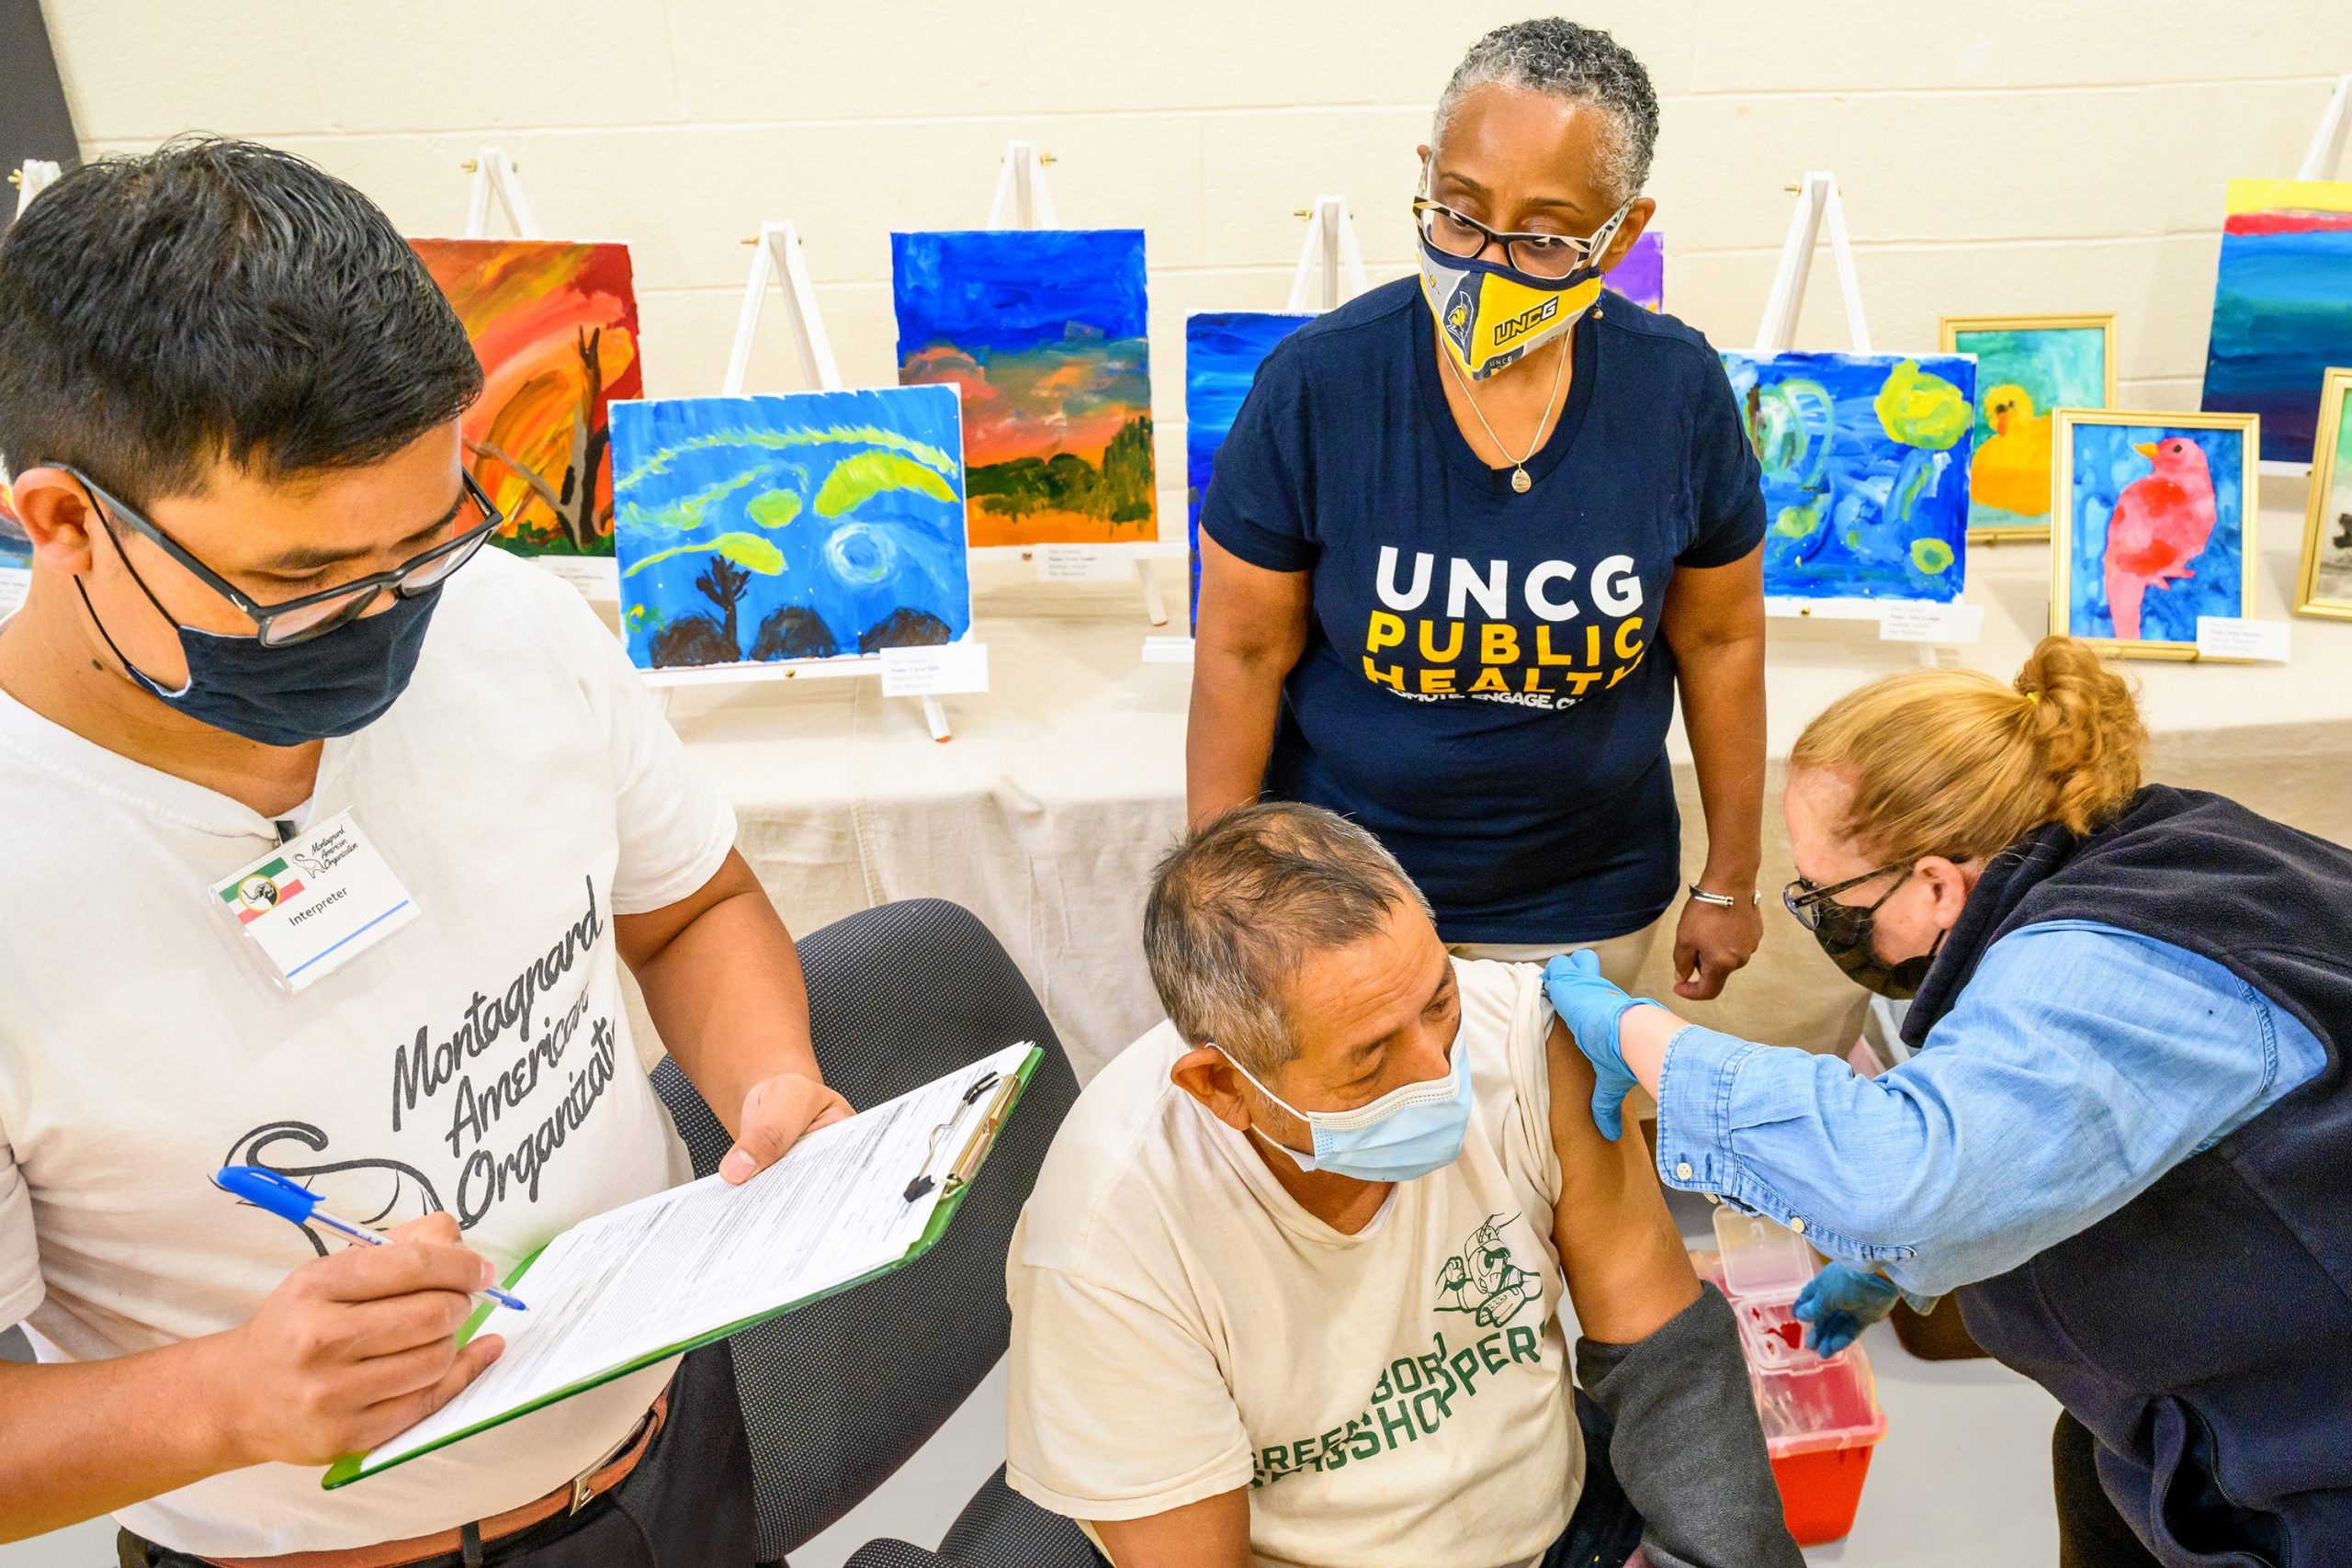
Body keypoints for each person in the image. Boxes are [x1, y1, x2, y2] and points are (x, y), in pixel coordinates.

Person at [0, 141, 845, 1566]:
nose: (387, 615)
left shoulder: (509, 625)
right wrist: (226, 1395)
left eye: (427, 541)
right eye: (301, 581)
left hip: (669, 1450)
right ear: (67, 522)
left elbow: (692, 909)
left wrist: (767, 1076)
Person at [1542, 637, 2352, 1567]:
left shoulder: (2106, 966)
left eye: (1827, 896)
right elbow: (2066, 1130)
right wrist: (1899, 1269)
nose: (1820, 915)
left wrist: (1640, 1037)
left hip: (2307, 1442)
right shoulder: (2142, 847)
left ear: (1934, 882)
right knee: (2094, 1478)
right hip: (2173, 1405)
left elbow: (1901, 1176)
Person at [1004, 803, 1802, 1568]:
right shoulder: (1106, 1246)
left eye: (1439, 1000)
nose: (1441, 1071)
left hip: (1563, 1522)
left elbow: (1671, 1363)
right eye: (1371, 1058)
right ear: (1223, 1087)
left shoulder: (1527, 1042)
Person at [1188, 18, 1767, 1004]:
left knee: (1565, 1148)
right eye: (1457, 215)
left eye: (1543, 238)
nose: (1489, 263)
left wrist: (1731, 878)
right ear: (1424, 175)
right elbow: (1240, 654)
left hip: (1588, 905)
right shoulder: (1318, 386)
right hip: (1346, 901)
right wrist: (1217, 899)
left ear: (1620, 232)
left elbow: (1720, 643)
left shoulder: (1674, 391)